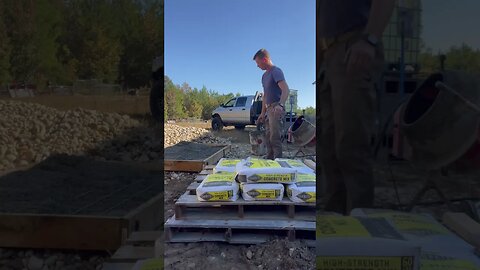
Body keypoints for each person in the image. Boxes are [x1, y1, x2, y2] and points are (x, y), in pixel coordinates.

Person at [317, 0, 395, 215]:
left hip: (354, 46)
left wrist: (369, 40)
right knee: (329, 145)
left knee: (351, 143)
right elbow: (319, 21)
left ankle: (360, 223)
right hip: (328, 56)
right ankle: (335, 218)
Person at [253, 49, 289, 159]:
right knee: (268, 136)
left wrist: (280, 105)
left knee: (275, 137)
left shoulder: (276, 71)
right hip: (268, 109)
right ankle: (269, 158)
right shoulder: (264, 76)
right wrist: (262, 113)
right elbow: (265, 96)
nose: (257, 66)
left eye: (258, 63)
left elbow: (286, 90)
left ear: (265, 59)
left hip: (275, 108)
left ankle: (278, 161)